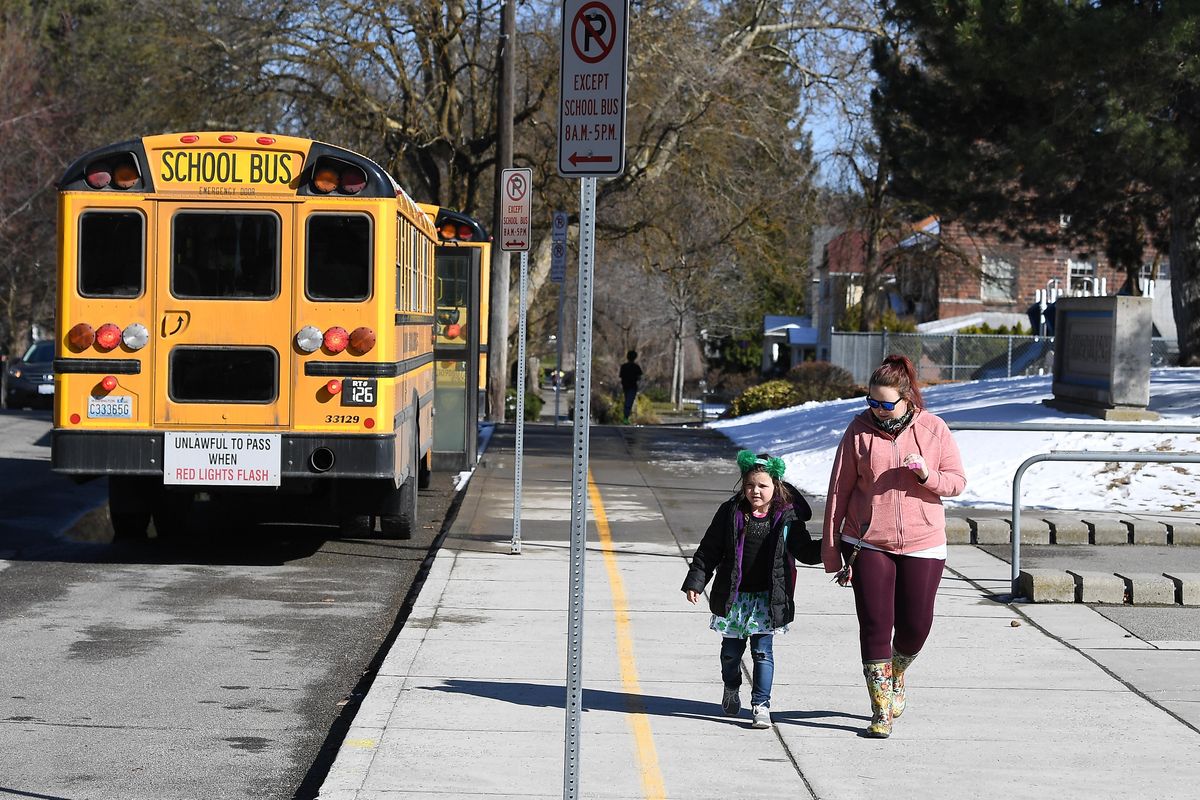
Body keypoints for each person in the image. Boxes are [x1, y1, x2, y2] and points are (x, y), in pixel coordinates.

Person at [822, 353, 966, 739]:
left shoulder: (934, 429)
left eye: (886, 404)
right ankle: (880, 709)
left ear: (908, 399)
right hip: (867, 540)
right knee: (874, 625)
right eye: (872, 402)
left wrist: (926, 475)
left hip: (923, 540)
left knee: (916, 626)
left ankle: (897, 672)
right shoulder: (858, 432)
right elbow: (839, 490)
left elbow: (956, 481)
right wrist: (831, 548)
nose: (878, 410)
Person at [682, 450, 819, 729]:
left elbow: (804, 550)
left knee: (762, 652)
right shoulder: (730, 513)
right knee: (731, 653)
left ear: (776, 486)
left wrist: (833, 547)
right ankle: (731, 685)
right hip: (734, 597)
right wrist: (697, 581)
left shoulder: (786, 518)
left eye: (762, 486)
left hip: (766, 599)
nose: (755, 491)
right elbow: (709, 550)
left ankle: (761, 704)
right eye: (749, 485)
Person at [618, 349, 642, 423]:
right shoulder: (636, 367)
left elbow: (621, 376)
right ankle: (626, 418)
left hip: (625, 386)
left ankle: (626, 417)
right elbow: (639, 377)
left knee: (627, 401)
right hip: (632, 386)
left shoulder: (624, 366)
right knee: (629, 402)